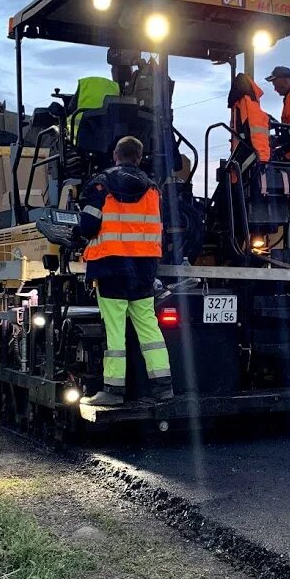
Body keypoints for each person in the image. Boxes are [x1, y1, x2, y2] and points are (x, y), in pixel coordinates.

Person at [77, 136, 173, 406]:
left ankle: (113, 391)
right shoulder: (153, 188)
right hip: (144, 268)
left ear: (116, 155)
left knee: (115, 330)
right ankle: (163, 388)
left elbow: (87, 226)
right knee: (149, 328)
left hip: (110, 266)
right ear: (139, 158)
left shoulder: (101, 183)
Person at [228, 72, 270, 171]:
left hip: (248, 155)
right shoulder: (245, 104)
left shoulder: (245, 105)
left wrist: (262, 159)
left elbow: (257, 133)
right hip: (245, 154)